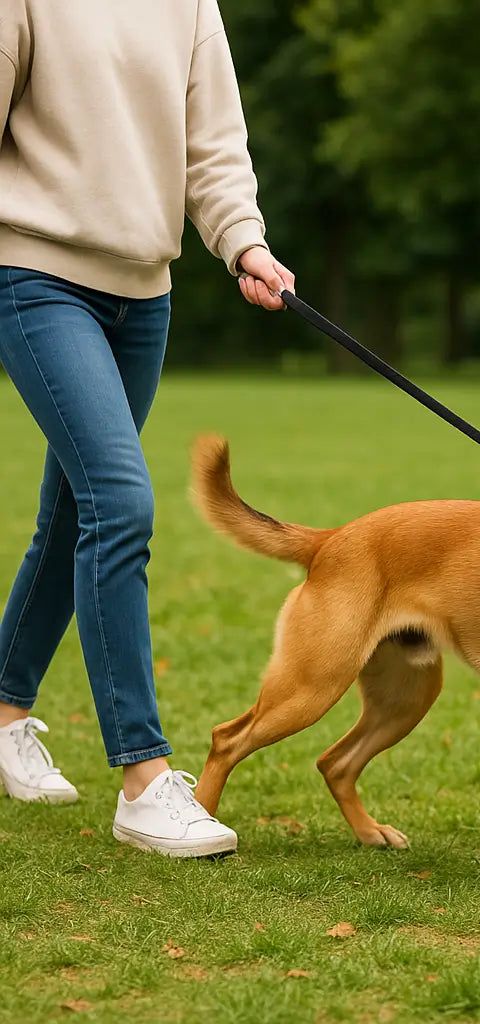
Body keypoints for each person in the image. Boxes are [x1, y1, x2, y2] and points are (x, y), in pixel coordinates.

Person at [0, 1, 295, 857]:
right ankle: (143, 776)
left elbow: (215, 145)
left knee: (76, 513)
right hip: (36, 275)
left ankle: (7, 708)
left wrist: (244, 241)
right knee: (121, 503)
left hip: (145, 294)